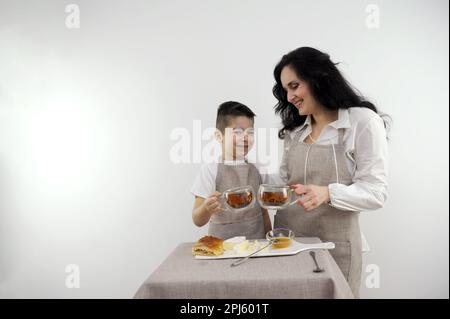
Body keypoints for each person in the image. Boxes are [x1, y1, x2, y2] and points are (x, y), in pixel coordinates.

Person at [272, 47, 389, 297]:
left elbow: (376, 192)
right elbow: (284, 183)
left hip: (337, 248)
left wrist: (327, 193)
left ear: (318, 78)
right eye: (285, 90)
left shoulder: (362, 122)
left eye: (294, 86)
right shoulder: (295, 131)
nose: (289, 96)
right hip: (288, 244)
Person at [191, 101, 272, 239]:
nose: (246, 138)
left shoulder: (258, 168)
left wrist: (270, 239)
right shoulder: (210, 170)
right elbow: (197, 220)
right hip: (222, 248)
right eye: (238, 132)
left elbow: (264, 213)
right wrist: (206, 208)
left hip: (256, 246)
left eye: (250, 132)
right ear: (218, 136)